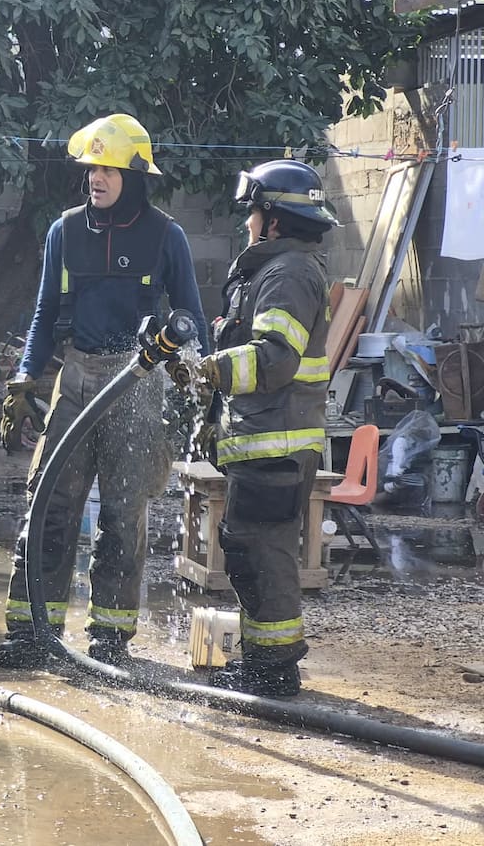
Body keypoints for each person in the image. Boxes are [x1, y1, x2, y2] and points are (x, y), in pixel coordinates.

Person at [0, 113, 208, 669]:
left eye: (109, 169)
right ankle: (31, 630)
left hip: (139, 380)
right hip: (77, 375)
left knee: (121, 513)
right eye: (92, 168)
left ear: (133, 176)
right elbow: (44, 313)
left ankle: (109, 640)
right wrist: (24, 378)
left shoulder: (166, 235)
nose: (96, 177)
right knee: (49, 505)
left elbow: (192, 316)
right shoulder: (64, 231)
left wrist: (200, 387)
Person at [193, 159, 335, 697]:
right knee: (251, 551)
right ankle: (264, 662)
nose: (246, 222)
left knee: (264, 556)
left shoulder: (288, 273)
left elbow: (275, 359)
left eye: (252, 212)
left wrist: (212, 369)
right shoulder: (276, 270)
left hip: (277, 445)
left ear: (273, 220)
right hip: (266, 440)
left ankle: (273, 671)